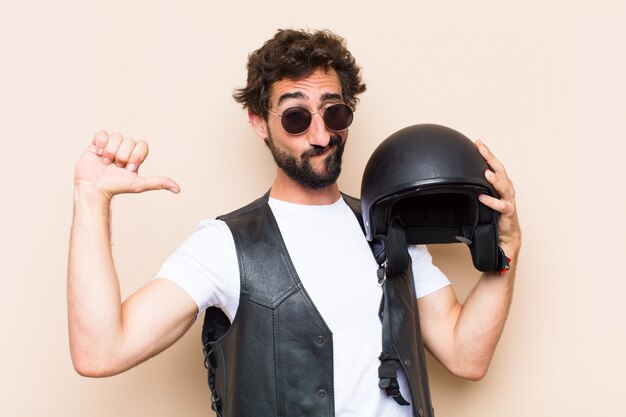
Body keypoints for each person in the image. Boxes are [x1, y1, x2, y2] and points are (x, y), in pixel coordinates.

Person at [68, 29, 521, 417]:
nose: (321, 136)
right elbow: (101, 351)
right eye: (296, 116)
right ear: (260, 122)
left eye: (334, 112)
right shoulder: (225, 245)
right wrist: (92, 199)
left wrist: (506, 251)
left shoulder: (387, 226)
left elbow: (467, 356)